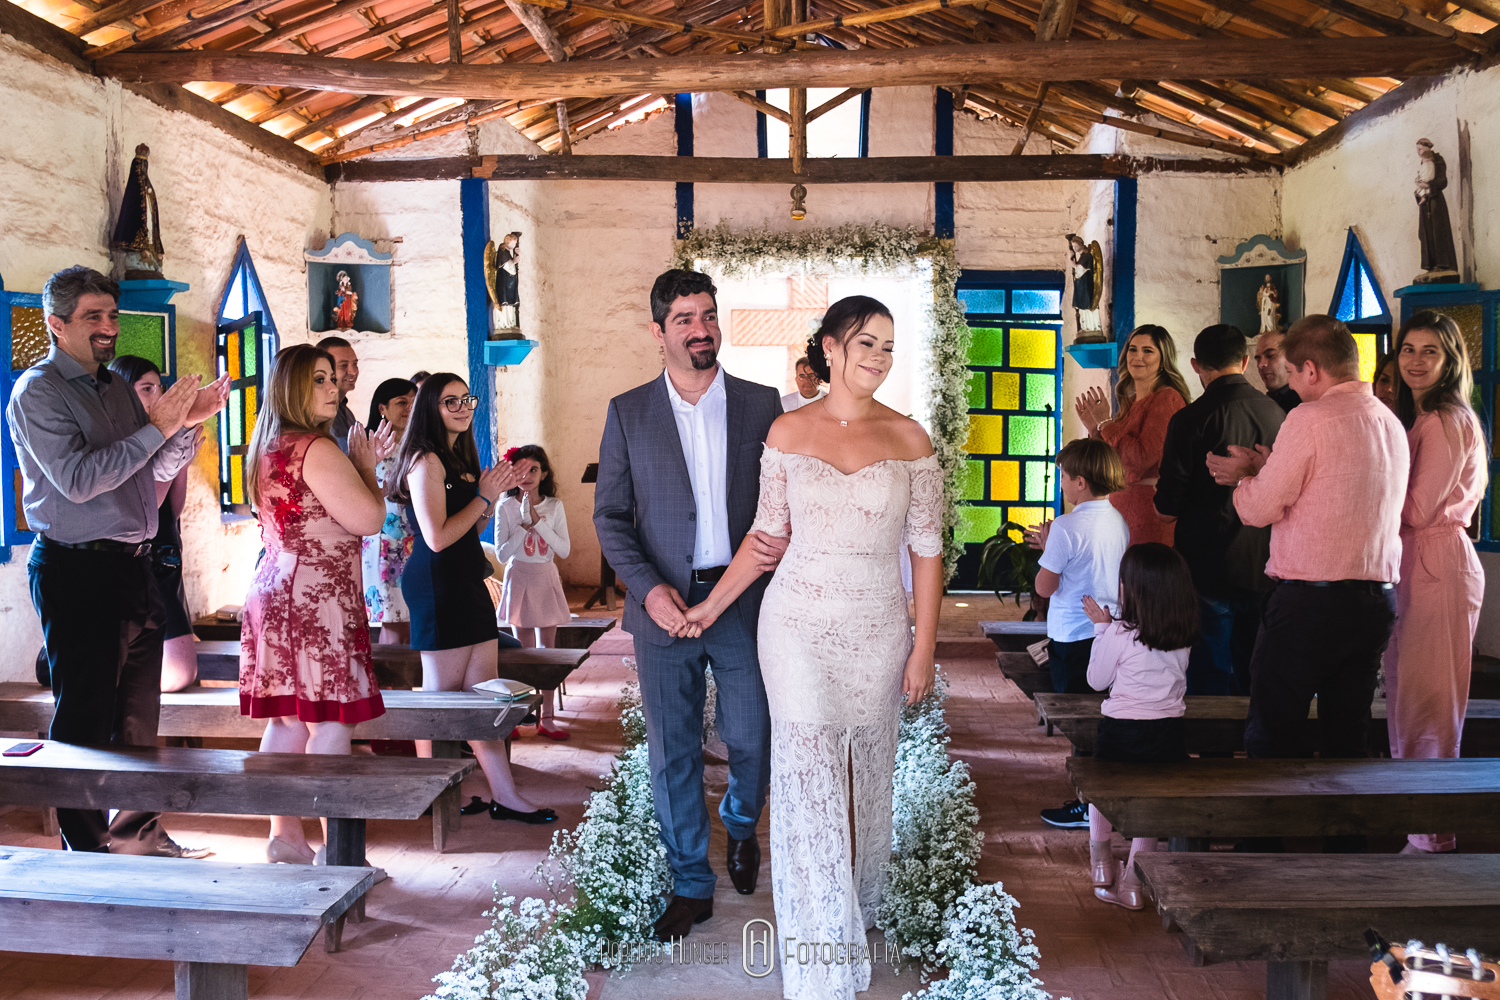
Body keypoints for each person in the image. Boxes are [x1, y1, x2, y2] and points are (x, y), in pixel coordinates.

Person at [682, 294, 942, 1000]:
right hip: (795, 625)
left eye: (888, 346)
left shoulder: (911, 438)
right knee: (806, 783)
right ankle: (818, 944)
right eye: (866, 343)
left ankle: (853, 906)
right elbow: (766, 539)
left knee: (861, 782)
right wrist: (709, 605)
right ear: (829, 347)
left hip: (877, 629)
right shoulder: (787, 432)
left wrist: (923, 648)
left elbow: (926, 551)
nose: (879, 358)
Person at [593, 269, 788, 943]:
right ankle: (690, 881)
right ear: (658, 332)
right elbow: (611, 517)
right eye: (684, 319)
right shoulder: (628, 412)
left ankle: (740, 824)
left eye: (707, 315)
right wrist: (649, 589)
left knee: (753, 735)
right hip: (661, 606)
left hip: (741, 599)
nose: (701, 328)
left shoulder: (765, 405)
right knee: (672, 748)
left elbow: (780, 508)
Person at [10, 266, 227, 856]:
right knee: (83, 721)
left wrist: (186, 424)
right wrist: (157, 425)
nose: (108, 327)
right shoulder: (38, 392)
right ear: (57, 325)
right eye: (92, 317)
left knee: (136, 719)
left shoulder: (112, 387)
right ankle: (86, 851)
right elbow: (79, 482)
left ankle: (137, 839)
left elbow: (149, 466)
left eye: (111, 314)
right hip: (77, 571)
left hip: (134, 566)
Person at [1208, 316, 1408, 780]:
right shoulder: (1389, 421)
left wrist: (1245, 478)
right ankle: (1346, 844)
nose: (1293, 385)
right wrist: (1268, 466)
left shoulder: (1309, 417)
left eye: (1294, 373)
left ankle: (1266, 845)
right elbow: (1337, 489)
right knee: (1348, 731)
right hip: (1374, 600)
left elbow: (1258, 510)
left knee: (1274, 729)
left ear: (1312, 370)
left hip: (1311, 603)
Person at [239, 344, 393, 863]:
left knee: (285, 720)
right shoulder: (318, 449)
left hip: (274, 586)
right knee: (331, 721)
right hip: (317, 595)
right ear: (293, 389)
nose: (334, 388)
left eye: (334, 378)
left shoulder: (266, 445)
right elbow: (369, 519)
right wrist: (368, 468)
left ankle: (285, 839)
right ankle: (339, 852)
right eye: (321, 380)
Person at [389, 373, 554, 825]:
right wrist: (485, 494)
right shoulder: (425, 462)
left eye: (466, 398)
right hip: (439, 582)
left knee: (483, 696)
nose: (463, 406)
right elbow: (438, 538)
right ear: (430, 408)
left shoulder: (459, 456)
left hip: (465, 578)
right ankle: (430, 795)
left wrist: (492, 495)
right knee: (439, 698)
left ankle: (506, 794)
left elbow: (472, 529)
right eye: (450, 401)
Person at [1387, 311, 1486, 854]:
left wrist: (1361, 488)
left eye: (1430, 351)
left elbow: (1421, 509)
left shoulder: (1446, 418)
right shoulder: (1425, 417)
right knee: (1408, 700)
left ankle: (1433, 837)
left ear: (1450, 361)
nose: (1416, 361)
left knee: (1429, 705)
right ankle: (1419, 828)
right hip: (1417, 560)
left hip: (1436, 561)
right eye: (1408, 349)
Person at [1154, 325, 1285, 696]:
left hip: (1206, 564)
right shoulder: (1277, 413)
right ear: (1245, 362)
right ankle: (1254, 746)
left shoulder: (1190, 419)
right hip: (1264, 561)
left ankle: (1214, 749)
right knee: (1255, 669)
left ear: (1196, 365)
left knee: (1208, 671)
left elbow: (1167, 509)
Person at [1082, 543, 1196, 910]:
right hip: (1167, 734)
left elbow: (1096, 681)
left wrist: (1102, 630)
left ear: (1132, 589)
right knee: (1151, 804)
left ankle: (1101, 863)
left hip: (1121, 731)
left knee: (1102, 786)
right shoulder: (1182, 634)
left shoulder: (1120, 633)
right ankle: (1133, 881)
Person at [1030, 438, 1130, 830]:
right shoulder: (1118, 520)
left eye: (1064, 477)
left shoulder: (1068, 525)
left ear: (1081, 483)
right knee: (1101, 714)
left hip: (1073, 633)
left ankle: (1086, 804)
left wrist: (1047, 548)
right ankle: (1097, 799)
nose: (1061, 484)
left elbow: (1044, 587)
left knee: (1081, 722)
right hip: (1111, 628)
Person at [108, 355, 205, 693]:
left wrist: (182, 462)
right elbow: (147, 506)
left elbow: (172, 510)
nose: (157, 396)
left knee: (184, 670)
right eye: (146, 388)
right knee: (177, 672)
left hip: (165, 558)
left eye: (159, 388)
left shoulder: (167, 439)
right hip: (135, 561)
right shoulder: (122, 447)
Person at [1074, 325, 1190, 545]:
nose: (1138, 357)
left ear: (1163, 359)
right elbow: (1111, 462)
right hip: (1120, 511)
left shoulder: (1167, 398)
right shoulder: (1130, 403)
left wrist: (1106, 422)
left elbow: (1141, 458)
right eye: (1132, 349)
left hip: (1148, 513)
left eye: (1148, 351)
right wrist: (1094, 429)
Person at [495, 444, 572, 740]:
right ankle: (521, 716)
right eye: (520, 470)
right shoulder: (505, 507)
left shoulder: (554, 506)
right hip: (519, 578)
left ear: (544, 473)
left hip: (545, 577)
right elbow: (502, 555)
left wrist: (538, 522)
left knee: (547, 654)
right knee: (523, 654)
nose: (526, 476)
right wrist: (522, 528)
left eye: (533, 470)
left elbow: (563, 550)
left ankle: (548, 717)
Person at [361, 377, 418, 645]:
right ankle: (392, 686)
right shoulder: (369, 446)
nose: (409, 407)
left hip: (416, 541)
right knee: (395, 623)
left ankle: (404, 684)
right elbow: (361, 491)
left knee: (410, 622)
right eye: (402, 402)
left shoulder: (417, 444)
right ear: (382, 408)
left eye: (413, 402)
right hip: (387, 543)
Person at [316, 335, 359, 450]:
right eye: (343, 365)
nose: (353, 371)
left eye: (355, 364)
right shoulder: (319, 413)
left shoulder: (347, 413)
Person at [1255, 330, 1301, 413]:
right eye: (1258, 359)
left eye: (1270, 356)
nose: (1260, 364)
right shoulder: (1262, 402)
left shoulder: (1305, 403)